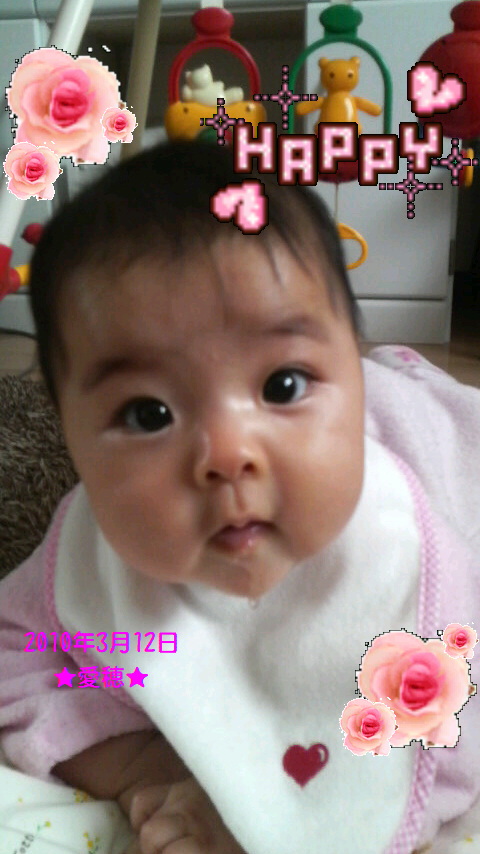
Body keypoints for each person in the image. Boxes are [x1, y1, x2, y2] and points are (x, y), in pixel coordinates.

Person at [0, 141, 478, 854]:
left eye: (283, 385)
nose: (227, 455)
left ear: (350, 369)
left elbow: (452, 739)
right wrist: (146, 766)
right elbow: (15, 661)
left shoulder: (417, 553)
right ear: (66, 430)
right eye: (147, 414)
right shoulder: (90, 563)